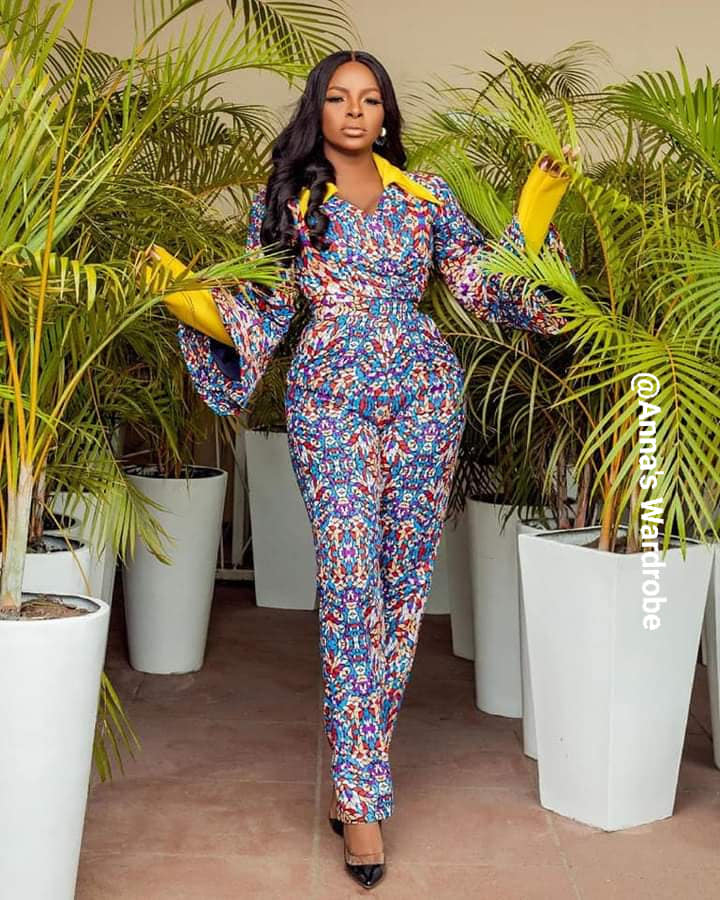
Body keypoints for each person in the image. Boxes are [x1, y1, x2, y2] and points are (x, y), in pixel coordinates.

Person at [144, 49, 574, 891]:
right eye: (338, 97)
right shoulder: (289, 200)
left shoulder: (427, 196)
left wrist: (535, 208)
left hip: (425, 396)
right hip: (329, 401)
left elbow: (483, 287)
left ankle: (357, 773)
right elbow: (260, 309)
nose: (353, 111)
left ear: (385, 115)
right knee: (348, 578)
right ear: (318, 109)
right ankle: (364, 800)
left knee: (402, 584)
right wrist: (187, 296)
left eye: (369, 99)